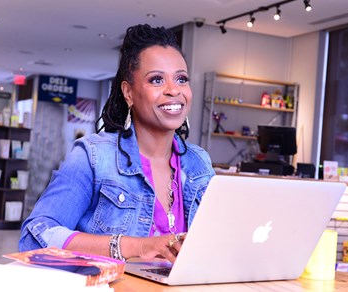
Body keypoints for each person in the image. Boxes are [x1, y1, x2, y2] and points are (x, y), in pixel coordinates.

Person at [19, 24, 215, 264]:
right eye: (156, 80)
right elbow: (35, 234)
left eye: (181, 79)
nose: (173, 90)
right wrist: (135, 246)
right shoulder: (93, 156)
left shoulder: (199, 162)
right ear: (128, 93)